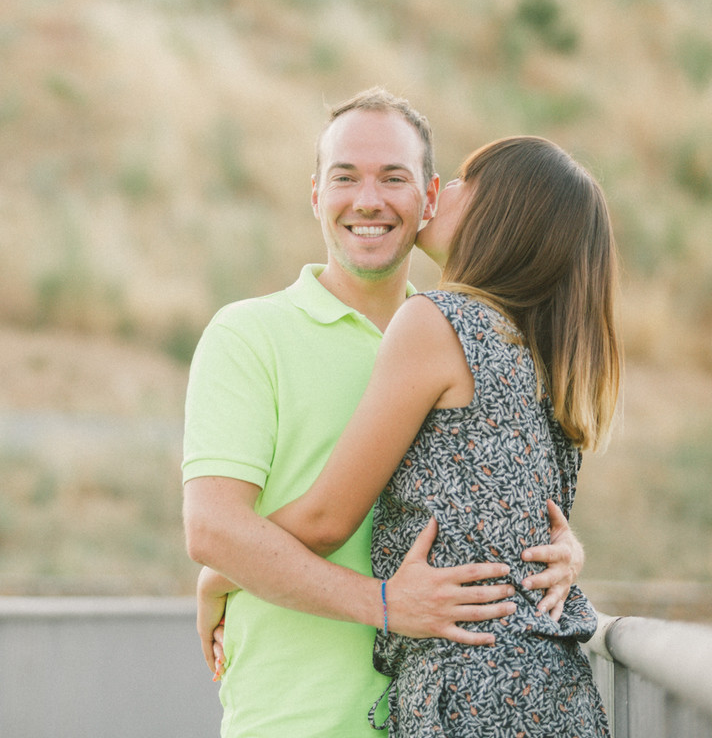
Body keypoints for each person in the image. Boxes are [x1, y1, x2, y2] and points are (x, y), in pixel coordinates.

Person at [182, 88, 584, 737]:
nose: (368, 199)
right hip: (296, 721)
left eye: (393, 178)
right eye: (345, 177)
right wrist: (385, 605)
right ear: (316, 194)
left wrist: (559, 552)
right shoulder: (247, 334)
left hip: (439, 715)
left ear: (430, 198)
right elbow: (212, 528)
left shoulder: (462, 338)